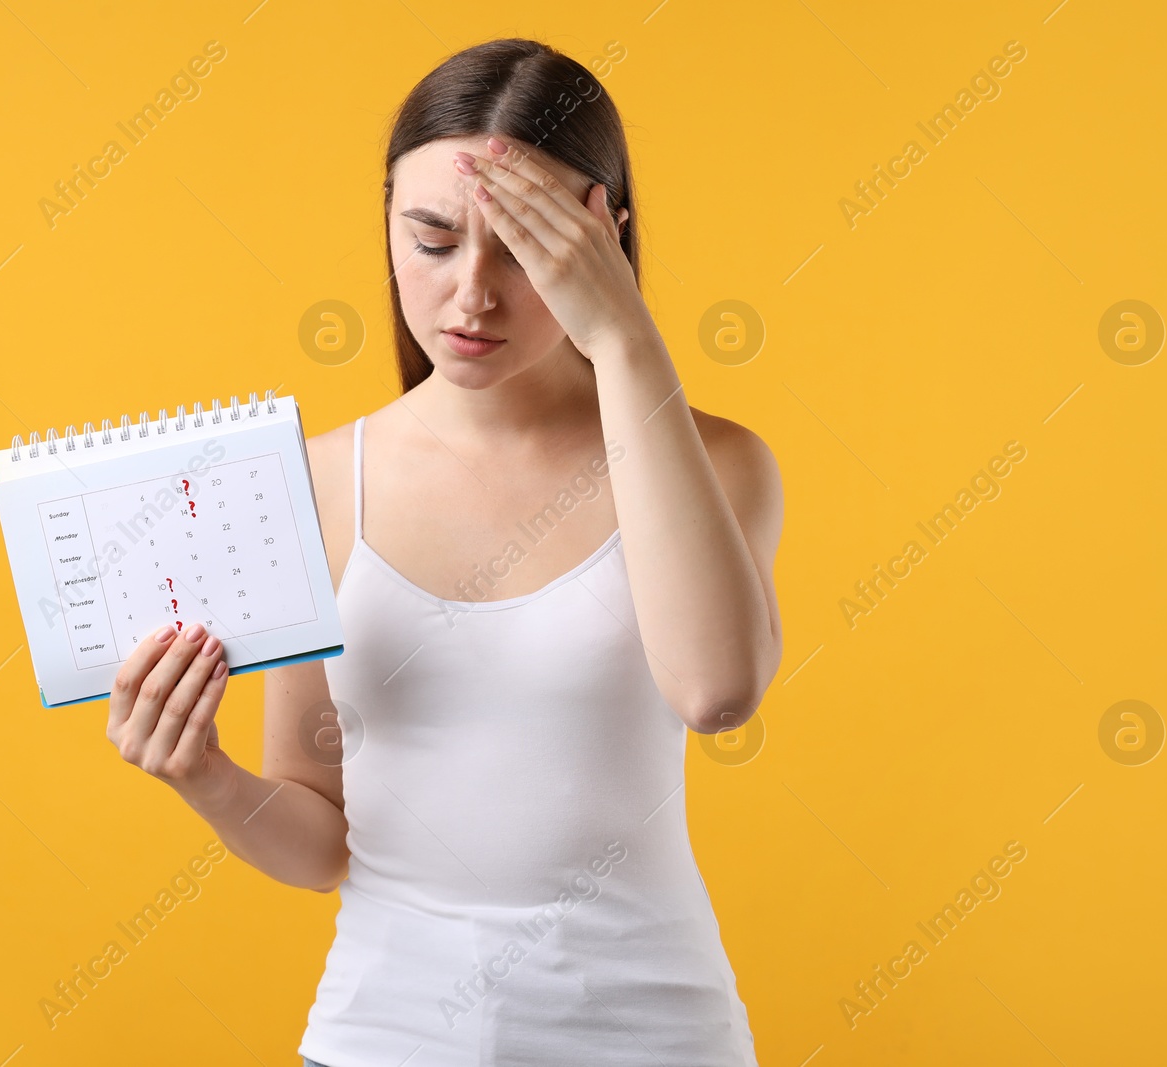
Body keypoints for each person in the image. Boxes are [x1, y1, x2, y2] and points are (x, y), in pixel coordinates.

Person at [106, 37, 783, 1066]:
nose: (470, 296)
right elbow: (322, 835)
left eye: (522, 250)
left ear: (603, 238)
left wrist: (625, 339)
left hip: (652, 1033)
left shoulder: (716, 462)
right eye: (430, 240)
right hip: (383, 1036)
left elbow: (716, 691)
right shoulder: (318, 482)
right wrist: (204, 774)